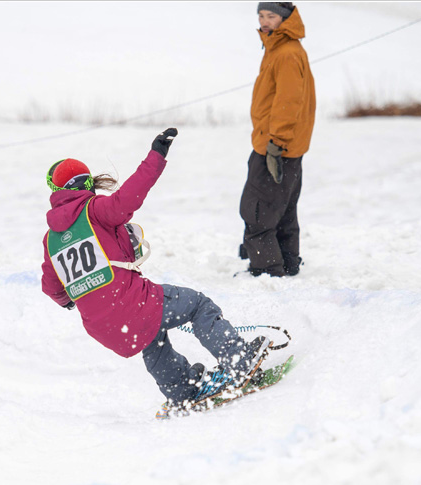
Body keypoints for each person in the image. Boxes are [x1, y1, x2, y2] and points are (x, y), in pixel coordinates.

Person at [41, 128, 268, 411]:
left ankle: (182, 390)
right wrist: (156, 155)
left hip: (103, 329)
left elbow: (52, 287)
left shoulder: (51, 239)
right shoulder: (95, 210)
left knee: (151, 337)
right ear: (86, 183)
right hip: (130, 305)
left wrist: (70, 299)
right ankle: (239, 361)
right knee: (197, 306)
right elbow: (129, 196)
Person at [238, 1, 316, 277]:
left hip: (275, 146)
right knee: (281, 210)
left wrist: (276, 144)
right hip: (281, 144)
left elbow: (288, 102)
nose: (265, 21)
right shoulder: (279, 48)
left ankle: (267, 271)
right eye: (261, 15)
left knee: (257, 210)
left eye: (271, 15)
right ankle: (287, 262)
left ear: (285, 19)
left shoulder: (286, 52)